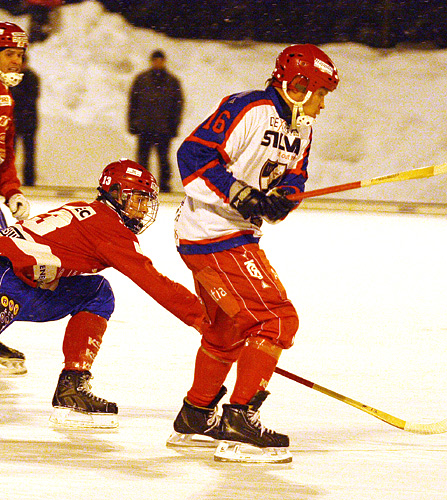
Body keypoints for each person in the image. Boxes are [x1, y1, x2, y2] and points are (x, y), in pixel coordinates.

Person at [167, 44, 339, 463]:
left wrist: (283, 199)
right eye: (317, 93)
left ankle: (196, 414)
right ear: (296, 84)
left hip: (223, 236)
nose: (320, 104)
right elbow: (192, 155)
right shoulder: (248, 108)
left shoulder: (304, 128)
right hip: (215, 233)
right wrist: (239, 193)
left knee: (227, 331)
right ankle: (240, 419)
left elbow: (295, 175)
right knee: (277, 319)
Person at [0, 158, 211, 428]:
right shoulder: (109, 229)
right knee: (96, 292)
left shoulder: (83, 209)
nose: (144, 209)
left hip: (19, 284)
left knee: (97, 291)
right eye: (138, 199)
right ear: (117, 193)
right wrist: (203, 319)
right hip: (8, 278)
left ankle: (72, 385)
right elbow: (153, 282)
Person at [0, 21, 32, 373]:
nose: (16, 62)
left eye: (20, 55)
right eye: (9, 53)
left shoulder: (5, 96)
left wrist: (11, 190)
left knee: (5, 264)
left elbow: (4, 155)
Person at [127, 49, 183, 193]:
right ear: (152, 61)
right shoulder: (142, 80)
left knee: (163, 160)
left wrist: (174, 125)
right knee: (142, 160)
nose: (158, 63)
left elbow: (178, 106)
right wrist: (132, 123)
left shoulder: (172, 82)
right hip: (145, 127)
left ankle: (165, 186)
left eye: (160, 60)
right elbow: (133, 102)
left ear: (164, 61)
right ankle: (141, 185)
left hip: (164, 129)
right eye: (155, 60)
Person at [11, 54, 39, 186]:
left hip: (28, 123)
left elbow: (30, 98)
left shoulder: (32, 78)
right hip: (14, 122)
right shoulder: (10, 78)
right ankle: (9, 182)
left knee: (29, 155)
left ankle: (29, 182)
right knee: (10, 155)